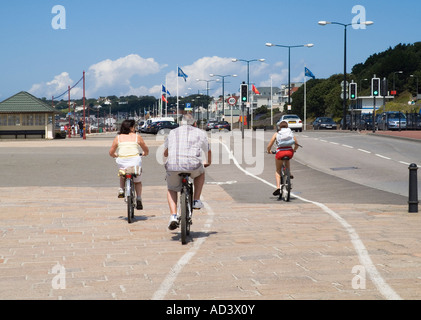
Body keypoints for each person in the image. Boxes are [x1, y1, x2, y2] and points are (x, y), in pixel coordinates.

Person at [163, 113, 211, 230]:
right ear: (195, 123)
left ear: (181, 123)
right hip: (193, 165)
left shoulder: (173, 132)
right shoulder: (200, 133)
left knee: (171, 188)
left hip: (173, 166)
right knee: (201, 173)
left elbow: (165, 153)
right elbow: (208, 150)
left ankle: (173, 216)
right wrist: (208, 162)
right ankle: (196, 200)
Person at [109, 119, 149, 210]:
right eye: (134, 126)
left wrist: (116, 155)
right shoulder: (137, 137)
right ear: (131, 128)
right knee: (137, 181)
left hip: (122, 160)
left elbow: (111, 152)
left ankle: (121, 189)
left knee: (123, 173)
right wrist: (145, 153)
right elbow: (145, 149)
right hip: (135, 160)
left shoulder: (118, 138)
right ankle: (138, 198)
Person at [266, 121, 299, 196]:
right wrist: (293, 150)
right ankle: (289, 172)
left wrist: (268, 151)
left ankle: (278, 187)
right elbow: (296, 144)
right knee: (287, 160)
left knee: (278, 170)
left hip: (280, 153)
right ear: (287, 127)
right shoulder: (290, 134)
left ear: (279, 127)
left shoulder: (277, 134)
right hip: (289, 152)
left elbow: (269, 145)